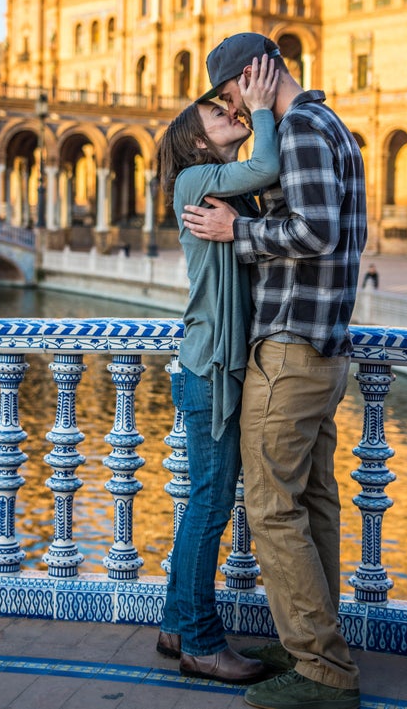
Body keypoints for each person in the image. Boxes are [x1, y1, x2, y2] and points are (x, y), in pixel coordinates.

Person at [181, 33, 366, 709]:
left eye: (229, 91)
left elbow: (316, 231)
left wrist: (239, 233)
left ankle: (322, 671)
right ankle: (313, 645)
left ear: (254, 75)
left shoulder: (304, 128)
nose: (230, 104)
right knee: (312, 498)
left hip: (291, 347)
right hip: (320, 347)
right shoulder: (329, 125)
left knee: (269, 505)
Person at [156, 54, 281, 684]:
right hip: (209, 367)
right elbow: (270, 163)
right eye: (216, 109)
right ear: (195, 138)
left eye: (229, 105)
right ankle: (203, 645)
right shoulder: (193, 180)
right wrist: (261, 106)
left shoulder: (220, 182)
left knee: (204, 501)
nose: (229, 110)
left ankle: (178, 623)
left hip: (207, 362)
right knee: (210, 506)